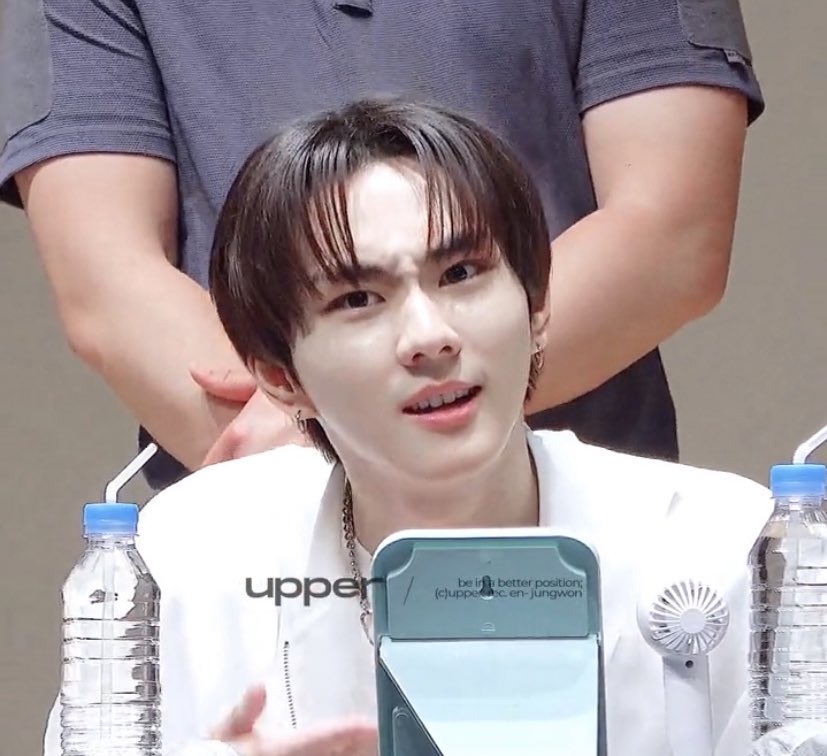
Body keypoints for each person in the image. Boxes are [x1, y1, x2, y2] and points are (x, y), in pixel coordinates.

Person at [40, 99, 772, 756]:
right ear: (280, 377)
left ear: (536, 304)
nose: (430, 336)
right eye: (358, 299)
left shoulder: (721, 546)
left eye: (461, 274)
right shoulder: (181, 561)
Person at [0, 0, 764, 490]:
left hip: (573, 524)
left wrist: (359, 418)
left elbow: (671, 236)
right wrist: (310, 431)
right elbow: (107, 278)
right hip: (269, 530)